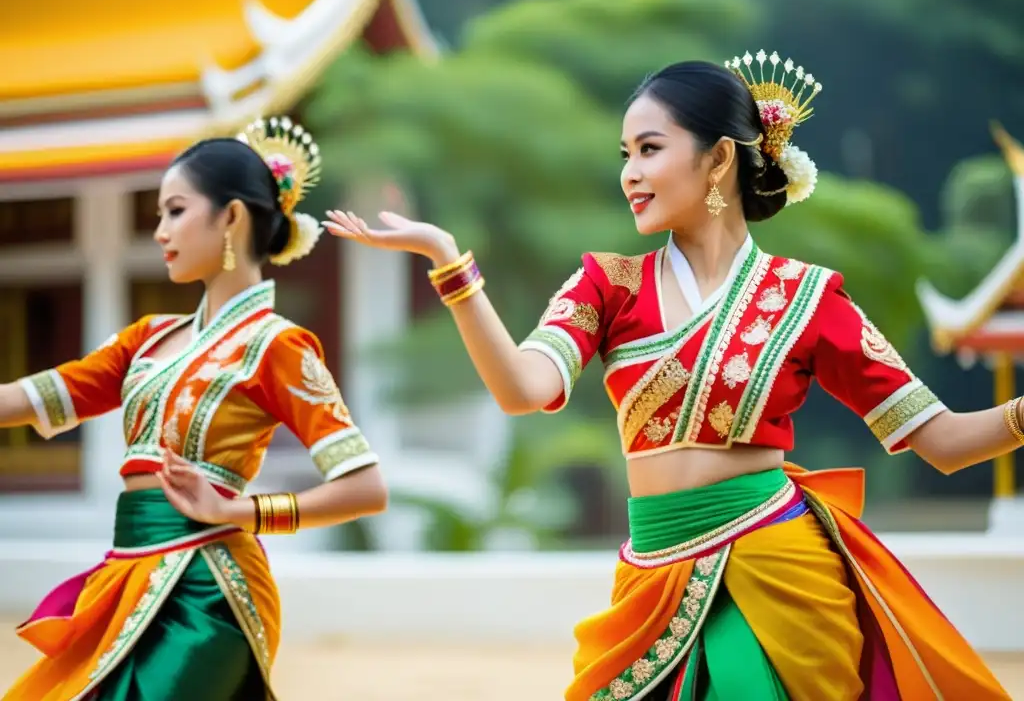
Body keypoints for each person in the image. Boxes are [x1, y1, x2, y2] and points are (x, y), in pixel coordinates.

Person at [323, 51, 1016, 700]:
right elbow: (521, 389)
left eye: (649, 150)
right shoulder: (608, 285)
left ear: (718, 160)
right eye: (625, 154)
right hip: (651, 580)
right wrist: (451, 265)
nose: (629, 172)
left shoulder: (808, 297)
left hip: (778, 577)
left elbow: (946, 441)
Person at [0, 117, 387, 701]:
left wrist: (240, 512)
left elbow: (365, 488)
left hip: (210, 592)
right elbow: (29, 399)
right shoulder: (147, 340)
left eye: (174, 211)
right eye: (159, 215)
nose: (159, 231)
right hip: (126, 575)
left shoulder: (277, 346)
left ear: (231, 216)